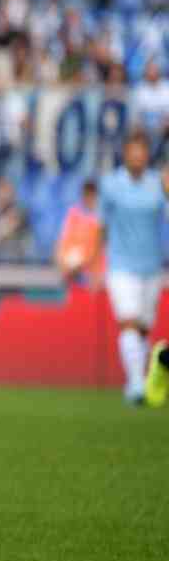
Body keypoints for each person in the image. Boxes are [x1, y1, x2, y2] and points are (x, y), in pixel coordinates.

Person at [99, 130, 169, 406]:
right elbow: (102, 225)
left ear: (146, 155)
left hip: (151, 266)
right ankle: (137, 386)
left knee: (141, 329)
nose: (137, 157)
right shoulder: (111, 184)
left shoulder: (158, 184)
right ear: (126, 153)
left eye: (142, 151)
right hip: (121, 265)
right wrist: (96, 260)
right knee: (127, 321)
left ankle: (141, 378)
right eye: (133, 151)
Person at [54, 179, 104, 288]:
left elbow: (97, 248)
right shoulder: (73, 214)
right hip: (73, 271)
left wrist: (82, 264)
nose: (89, 198)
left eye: (92, 195)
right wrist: (64, 262)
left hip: (93, 273)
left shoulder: (101, 218)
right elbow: (63, 241)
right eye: (86, 195)